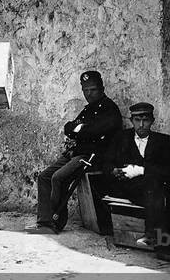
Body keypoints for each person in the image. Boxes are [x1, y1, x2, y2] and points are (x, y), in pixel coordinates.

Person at [29, 70, 122, 234]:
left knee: (58, 178)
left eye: (93, 89)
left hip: (94, 157)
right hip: (77, 152)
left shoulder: (109, 109)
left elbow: (93, 132)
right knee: (44, 177)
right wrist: (79, 130)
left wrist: (79, 130)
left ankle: (56, 222)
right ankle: (44, 222)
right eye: (85, 90)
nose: (89, 94)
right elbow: (69, 128)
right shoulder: (88, 109)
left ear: (101, 88)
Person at [102, 102, 170, 262]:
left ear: (152, 121)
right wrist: (114, 171)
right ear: (132, 120)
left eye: (145, 120)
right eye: (137, 120)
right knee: (158, 195)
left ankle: (153, 236)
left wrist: (141, 170)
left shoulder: (164, 141)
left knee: (157, 193)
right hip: (128, 188)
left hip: (155, 189)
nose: (141, 124)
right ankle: (162, 247)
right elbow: (106, 163)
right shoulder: (121, 138)